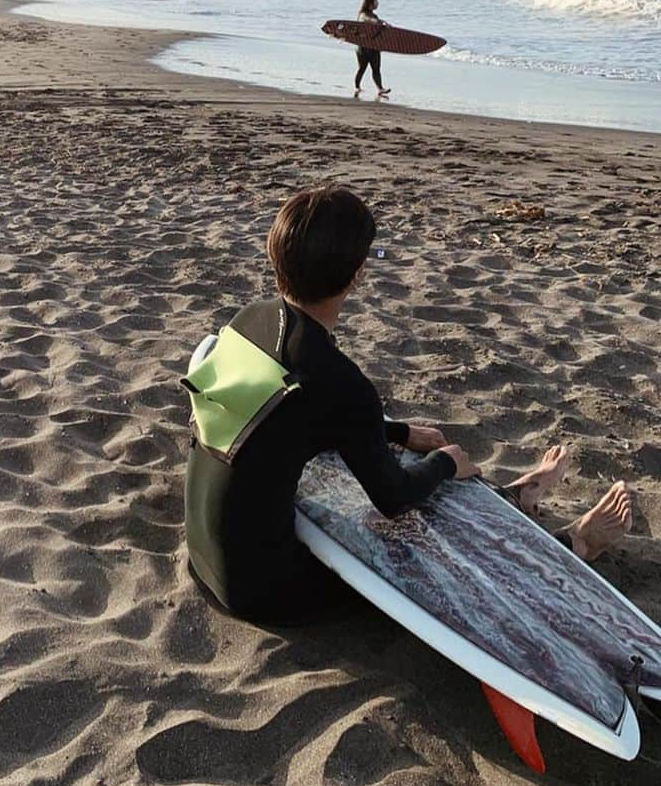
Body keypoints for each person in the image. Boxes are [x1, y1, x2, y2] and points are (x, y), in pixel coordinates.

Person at [183, 185, 633, 626]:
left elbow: (298, 420)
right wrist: (443, 463)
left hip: (206, 559)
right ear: (356, 273)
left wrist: (397, 432)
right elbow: (393, 498)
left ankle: (517, 497)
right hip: (265, 593)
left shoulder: (249, 321)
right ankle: (574, 543)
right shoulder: (340, 382)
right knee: (430, 548)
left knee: (377, 476)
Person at [354, 0, 390, 97]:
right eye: (376, 1)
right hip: (363, 47)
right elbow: (367, 20)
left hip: (374, 46)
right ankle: (357, 87)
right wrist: (377, 21)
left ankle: (380, 89)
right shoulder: (363, 14)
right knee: (362, 68)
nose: (377, 3)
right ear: (370, 3)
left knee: (376, 69)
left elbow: (377, 30)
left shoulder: (375, 16)